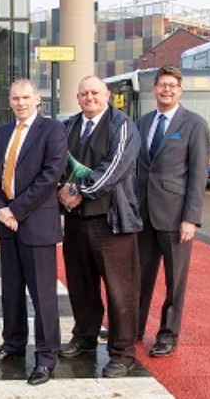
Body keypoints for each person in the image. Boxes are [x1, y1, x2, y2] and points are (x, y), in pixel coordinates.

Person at [0, 79, 67, 386]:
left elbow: (50, 176)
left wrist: (16, 210)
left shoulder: (53, 130)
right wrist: (0, 208)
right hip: (7, 224)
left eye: (25, 97)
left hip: (36, 224)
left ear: (37, 99)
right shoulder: (4, 132)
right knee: (11, 291)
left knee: (43, 295)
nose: (20, 103)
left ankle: (46, 356)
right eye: (15, 98)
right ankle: (13, 344)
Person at [57, 75, 142, 379]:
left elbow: (115, 168)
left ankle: (122, 352)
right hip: (77, 223)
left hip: (113, 223)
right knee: (81, 285)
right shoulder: (68, 126)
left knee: (121, 291)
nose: (89, 98)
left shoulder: (123, 126)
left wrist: (78, 191)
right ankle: (85, 336)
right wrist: (61, 191)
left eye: (95, 92)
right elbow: (57, 165)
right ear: (77, 98)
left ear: (107, 95)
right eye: (83, 93)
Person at [136, 66, 209, 357]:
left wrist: (191, 218)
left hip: (175, 216)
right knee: (139, 277)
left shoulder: (194, 124)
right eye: (162, 85)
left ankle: (168, 334)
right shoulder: (142, 123)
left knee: (174, 280)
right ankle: (134, 327)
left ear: (180, 91)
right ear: (153, 89)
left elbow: (199, 174)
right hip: (143, 215)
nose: (166, 90)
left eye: (172, 86)